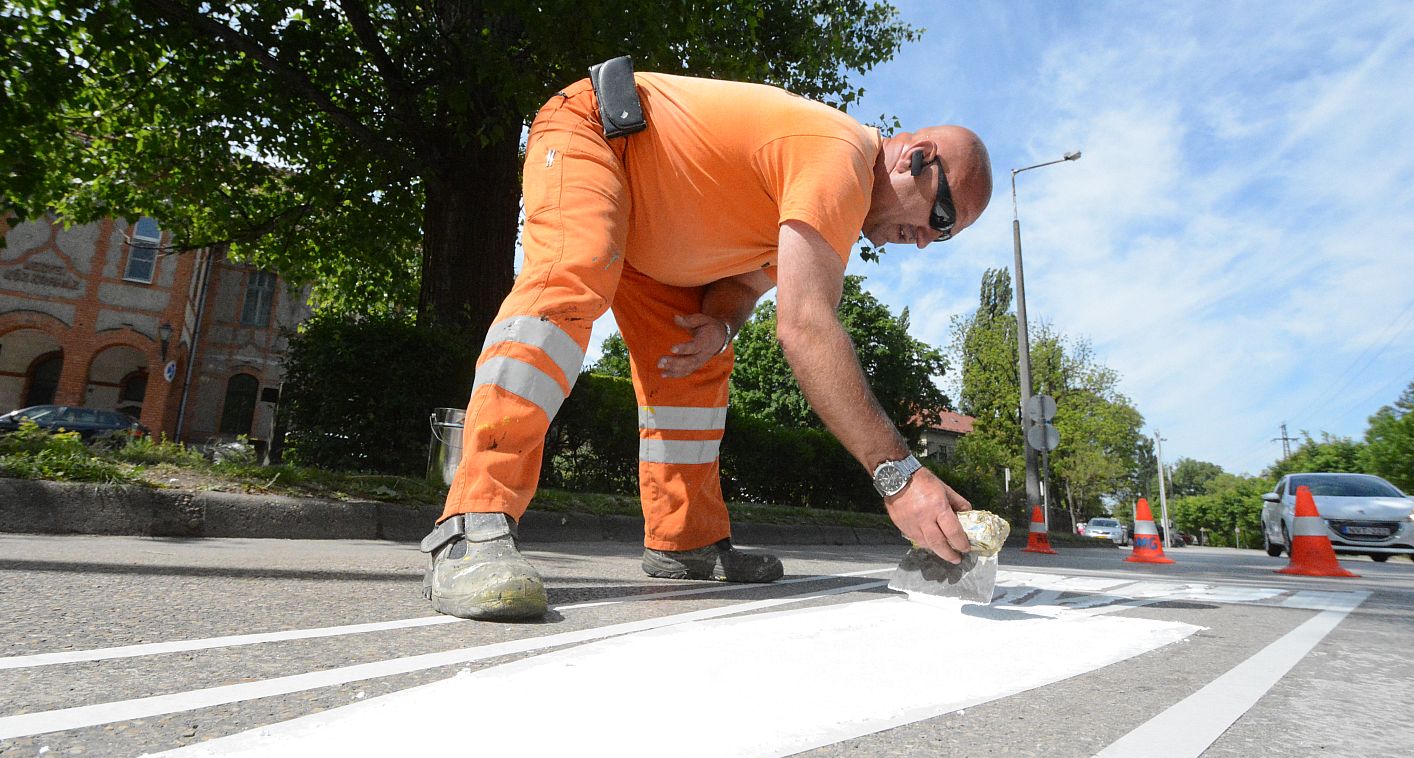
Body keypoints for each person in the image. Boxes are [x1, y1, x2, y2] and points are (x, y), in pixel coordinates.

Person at [421, 67, 993, 620]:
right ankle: (472, 524)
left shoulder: (817, 201)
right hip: (597, 133)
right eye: (941, 216)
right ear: (916, 156)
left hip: (654, 236)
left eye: (945, 237)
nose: (926, 241)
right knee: (572, 276)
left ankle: (684, 540)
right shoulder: (840, 156)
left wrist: (719, 325)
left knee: (693, 362)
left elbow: (742, 286)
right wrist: (900, 477)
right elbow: (805, 326)